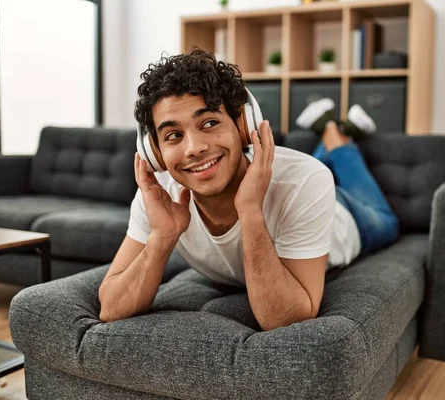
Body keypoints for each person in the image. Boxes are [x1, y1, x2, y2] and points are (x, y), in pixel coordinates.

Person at [98, 49, 398, 331]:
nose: (194, 149)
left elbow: (284, 318)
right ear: (155, 153)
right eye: (174, 135)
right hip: (293, 186)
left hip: (350, 219)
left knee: (387, 221)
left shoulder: (306, 180)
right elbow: (110, 308)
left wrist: (251, 211)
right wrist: (162, 236)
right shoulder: (159, 195)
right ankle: (335, 132)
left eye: (210, 122)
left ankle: (336, 136)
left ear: (243, 125)